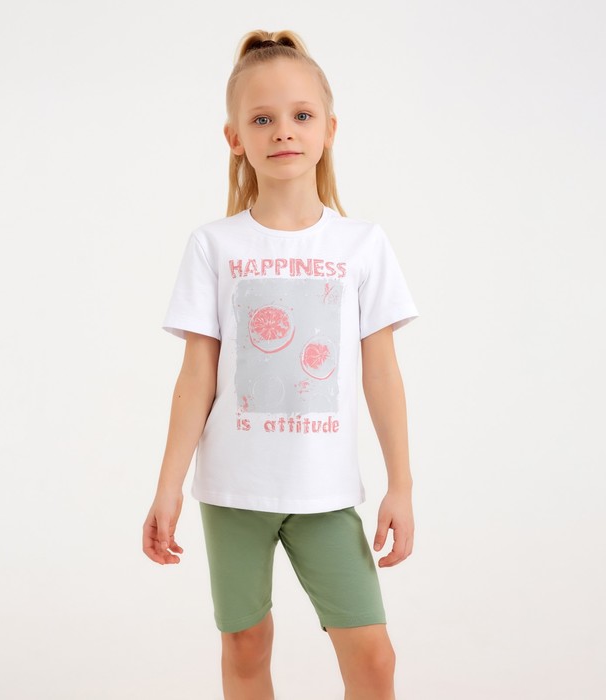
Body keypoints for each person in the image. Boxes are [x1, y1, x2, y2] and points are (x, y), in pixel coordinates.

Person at [143, 29, 420, 700]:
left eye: (301, 115)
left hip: (326, 493)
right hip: (233, 491)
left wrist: (401, 485)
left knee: (373, 656)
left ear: (329, 129)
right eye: (262, 119)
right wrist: (167, 487)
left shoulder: (362, 245)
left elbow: (382, 374)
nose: (283, 131)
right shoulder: (214, 246)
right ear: (235, 137)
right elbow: (197, 377)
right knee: (245, 646)